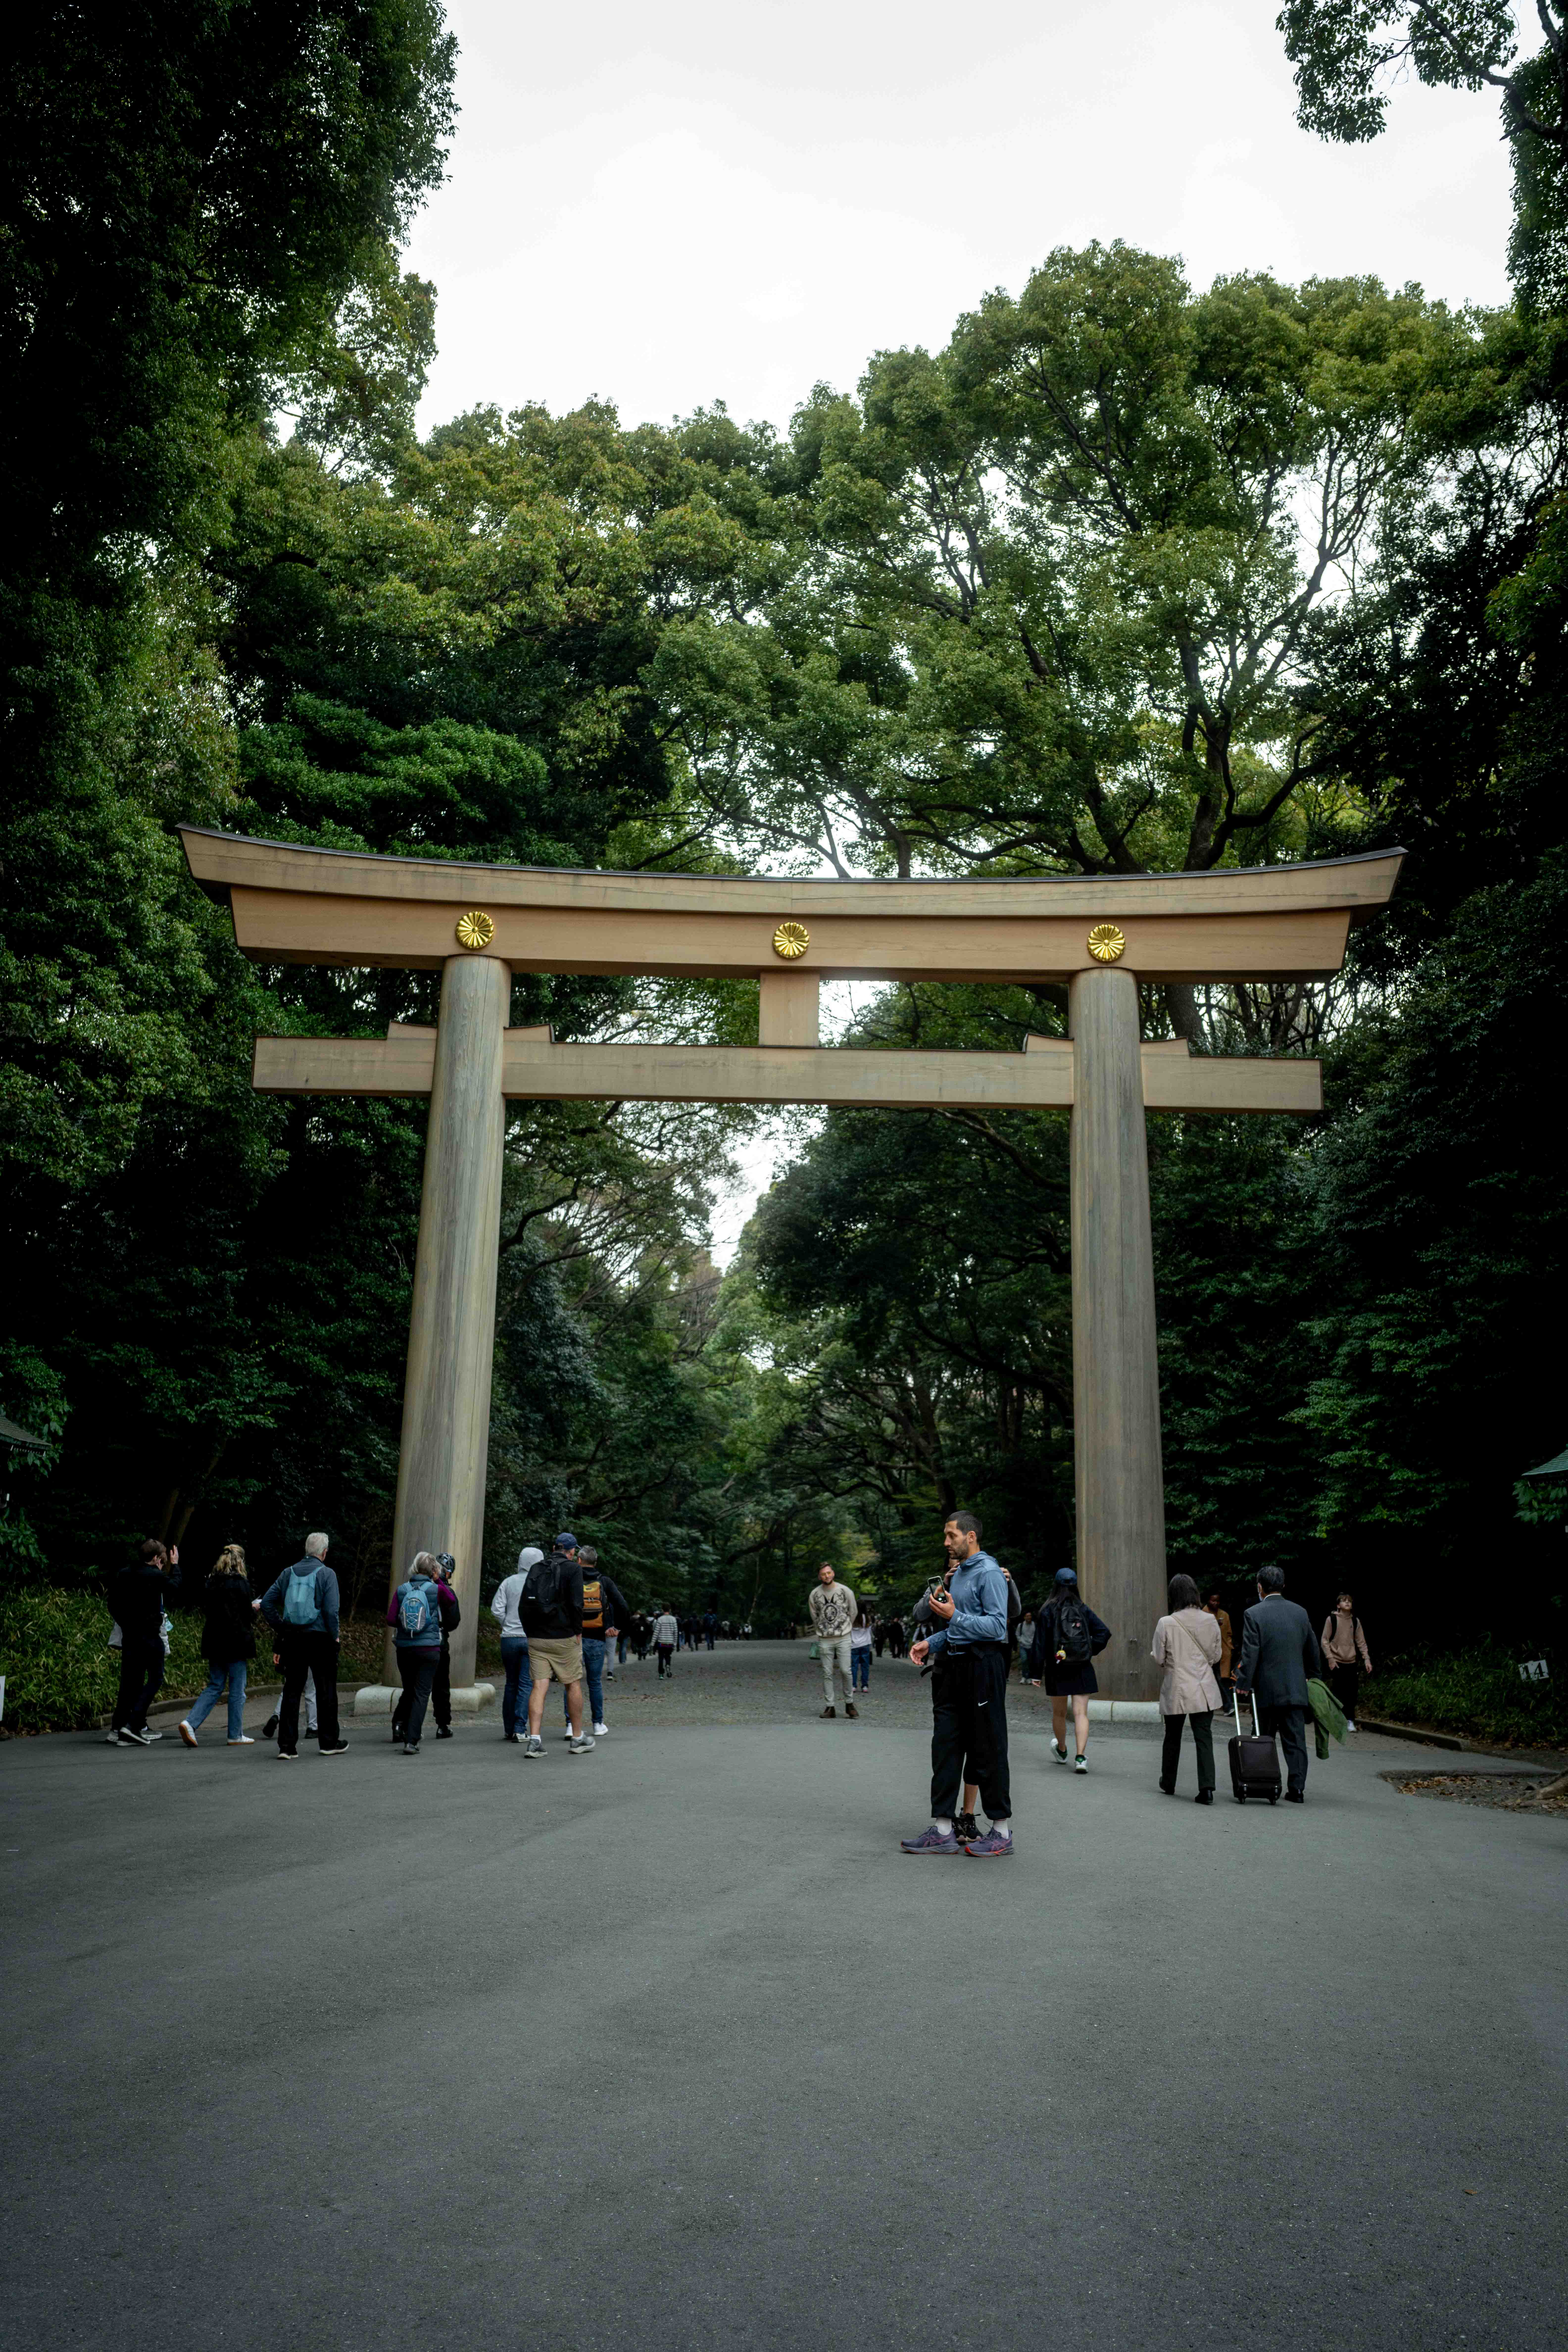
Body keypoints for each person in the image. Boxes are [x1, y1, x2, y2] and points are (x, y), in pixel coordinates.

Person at [902, 1511, 1014, 1856]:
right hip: (951, 1667)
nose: (946, 1542)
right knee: (946, 1746)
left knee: (988, 1747)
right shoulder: (959, 1575)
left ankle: (1001, 1830)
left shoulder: (990, 1573)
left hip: (982, 1668)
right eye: (946, 1536)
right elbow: (957, 1627)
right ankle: (943, 1828)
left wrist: (954, 1617)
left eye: (952, 1536)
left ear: (971, 1537)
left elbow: (998, 1628)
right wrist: (931, 1644)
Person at [1235, 1563, 1323, 1803]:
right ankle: (1297, 1789)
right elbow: (1313, 1651)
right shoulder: (1301, 1613)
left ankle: (1262, 1783)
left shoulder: (1254, 1614)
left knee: (1263, 1738)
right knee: (1296, 1741)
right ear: (1284, 1586)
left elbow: (1250, 1653)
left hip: (1266, 1690)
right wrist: (1315, 1678)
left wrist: (1243, 1683)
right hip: (1296, 1689)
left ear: (1260, 1588)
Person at [259, 1532, 346, 1758]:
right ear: (324, 1553)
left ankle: (287, 1747)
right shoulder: (327, 1574)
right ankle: (328, 1743)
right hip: (321, 1640)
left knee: (292, 1690)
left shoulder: (288, 1573)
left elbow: (267, 1603)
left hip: (294, 1639)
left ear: (307, 1550)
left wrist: (281, 1628)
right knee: (326, 1690)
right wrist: (335, 1636)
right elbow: (331, 1611)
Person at [1028, 1567, 1111, 1773]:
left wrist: (1036, 1673)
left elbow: (1039, 1644)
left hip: (1058, 1667)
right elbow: (1104, 1633)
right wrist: (1088, 1650)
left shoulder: (1048, 1610)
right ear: (1075, 1585)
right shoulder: (1082, 1609)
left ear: (1056, 1585)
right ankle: (1081, 1758)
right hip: (1082, 1667)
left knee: (1059, 1713)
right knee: (1081, 1714)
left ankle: (1063, 1750)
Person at [178, 1543, 261, 1747]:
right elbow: (246, 1616)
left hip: (215, 1640)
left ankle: (190, 1723)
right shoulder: (241, 1584)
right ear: (240, 1561)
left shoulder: (211, 1583)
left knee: (216, 1685)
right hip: (236, 1642)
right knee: (237, 1689)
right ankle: (235, 1734)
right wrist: (255, 1608)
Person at [1152, 1572, 1223, 1803]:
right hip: (1203, 1687)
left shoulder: (1167, 1623)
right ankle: (1208, 1788)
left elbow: (1160, 1658)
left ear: (1174, 1596)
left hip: (1178, 1687)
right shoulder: (1211, 1620)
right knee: (1204, 1737)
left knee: (1173, 1736)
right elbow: (1215, 1656)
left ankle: (1169, 1782)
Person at [521, 1532, 594, 1756]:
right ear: (572, 1552)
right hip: (564, 1637)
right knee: (573, 1684)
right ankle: (578, 1738)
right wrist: (578, 1632)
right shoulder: (574, 1570)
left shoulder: (536, 1569)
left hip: (537, 1638)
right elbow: (576, 1604)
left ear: (554, 1547)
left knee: (539, 1686)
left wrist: (530, 1632)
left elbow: (524, 1605)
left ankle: (534, 1740)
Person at [107, 1538, 182, 1745]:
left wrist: (126, 1624)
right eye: (163, 1559)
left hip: (130, 1637)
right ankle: (134, 1724)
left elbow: (112, 1604)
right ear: (156, 1558)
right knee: (156, 1678)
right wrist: (175, 1566)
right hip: (150, 1636)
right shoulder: (154, 1575)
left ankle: (118, 1727)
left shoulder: (124, 1574)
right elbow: (174, 1588)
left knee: (130, 1682)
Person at [561, 1544, 628, 1740]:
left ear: (579, 1561)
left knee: (572, 1683)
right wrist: (617, 1627)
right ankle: (598, 1724)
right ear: (596, 1562)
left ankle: (571, 1725)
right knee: (595, 1683)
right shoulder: (604, 1582)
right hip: (598, 1638)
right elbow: (622, 1605)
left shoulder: (571, 1580)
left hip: (574, 1638)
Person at [387, 1551, 446, 1754]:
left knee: (410, 1690)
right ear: (434, 1571)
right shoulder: (436, 1589)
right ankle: (412, 1742)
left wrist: (408, 1622)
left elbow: (391, 1619)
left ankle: (399, 1726)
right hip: (429, 1649)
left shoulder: (402, 1590)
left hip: (405, 1649)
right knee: (422, 1694)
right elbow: (452, 1603)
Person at [490, 1545, 542, 1741]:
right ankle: (521, 1729)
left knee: (511, 1684)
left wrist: (508, 1624)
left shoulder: (508, 1582)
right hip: (531, 1639)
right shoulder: (539, 1583)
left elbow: (496, 1610)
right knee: (526, 1685)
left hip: (509, 1640)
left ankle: (509, 1729)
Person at [808, 1562, 858, 1719]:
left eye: (829, 1573)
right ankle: (830, 1707)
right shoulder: (815, 1595)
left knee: (846, 1671)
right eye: (823, 1574)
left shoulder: (845, 1591)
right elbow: (814, 1616)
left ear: (833, 1574)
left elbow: (853, 1611)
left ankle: (850, 1703)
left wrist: (845, 1627)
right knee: (827, 1673)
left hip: (844, 1637)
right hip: (825, 1639)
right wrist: (823, 1630)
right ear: (819, 1577)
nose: (827, 1576)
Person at [1320, 1591, 1372, 1731]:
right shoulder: (1332, 1620)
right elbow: (1325, 1640)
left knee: (1352, 1692)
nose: (1348, 1603)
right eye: (1344, 1601)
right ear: (1338, 1605)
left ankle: (1350, 1720)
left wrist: (1367, 1659)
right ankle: (1337, 1720)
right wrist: (1330, 1659)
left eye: (1349, 1601)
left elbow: (1361, 1642)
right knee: (1338, 1692)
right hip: (1337, 1661)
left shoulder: (1355, 1622)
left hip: (1351, 1661)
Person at [426, 1551, 462, 1740]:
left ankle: (403, 1724)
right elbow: (454, 1621)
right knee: (441, 1685)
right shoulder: (447, 1592)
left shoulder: (416, 1587)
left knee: (416, 1686)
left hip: (414, 1643)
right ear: (447, 1573)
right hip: (439, 1643)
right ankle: (443, 1725)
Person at [1205, 1588, 1235, 1706]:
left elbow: (1229, 1634)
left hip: (1224, 1651)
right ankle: (1227, 1706)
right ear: (1208, 1601)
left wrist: (1230, 1647)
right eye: (1213, 1601)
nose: (1216, 1603)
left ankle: (1228, 1706)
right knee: (1215, 1679)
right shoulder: (1202, 1615)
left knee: (1223, 1679)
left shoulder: (1224, 1615)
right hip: (1209, 1653)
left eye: (1218, 1601)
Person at [850, 1606, 874, 1693]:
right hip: (865, 1644)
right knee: (865, 1666)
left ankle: (853, 1686)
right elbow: (870, 1629)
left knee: (854, 1666)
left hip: (854, 1645)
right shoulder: (867, 1618)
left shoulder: (852, 1618)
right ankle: (865, 1686)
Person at [651, 1605, 677, 1675]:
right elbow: (676, 1632)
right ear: (670, 1610)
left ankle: (661, 1674)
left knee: (661, 1657)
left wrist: (653, 1643)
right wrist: (675, 1643)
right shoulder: (674, 1619)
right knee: (668, 1656)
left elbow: (656, 1632)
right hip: (670, 1642)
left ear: (663, 1611)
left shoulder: (660, 1619)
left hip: (661, 1643)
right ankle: (668, 1665)